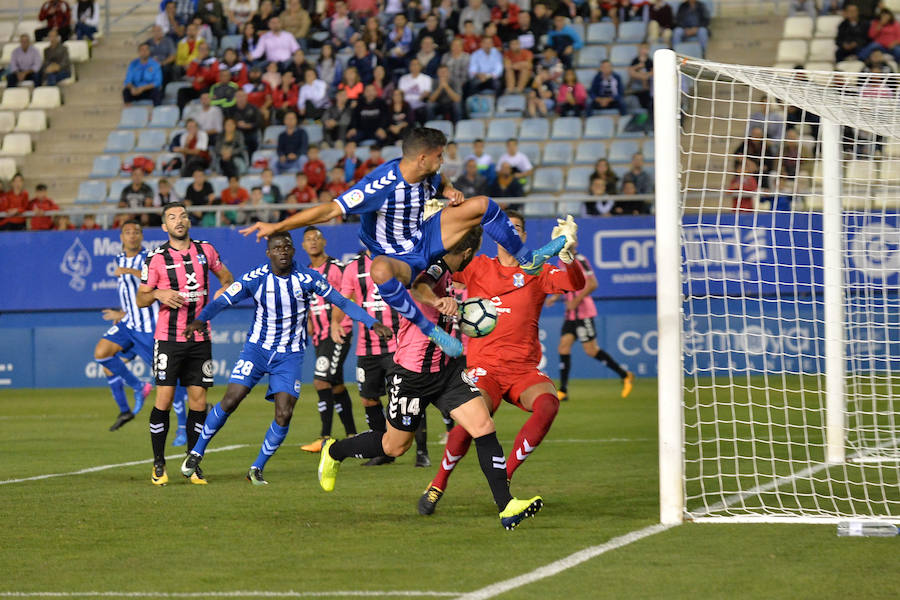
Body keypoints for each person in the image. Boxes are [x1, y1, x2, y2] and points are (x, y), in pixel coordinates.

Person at [241, 127, 571, 358]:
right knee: (380, 270)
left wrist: (449, 190)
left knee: (482, 204)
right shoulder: (379, 185)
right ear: (423, 157)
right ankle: (429, 329)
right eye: (440, 156)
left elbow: (441, 179)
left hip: (424, 237)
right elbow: (330, 209)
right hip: (394, 256)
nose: (443, 162)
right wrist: (279, 224)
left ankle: (527, 258)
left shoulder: (428, 173)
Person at [316, 227, 543, 530]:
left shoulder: (450, 271)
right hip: (411, 374)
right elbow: (419, 287)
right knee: (395, 446)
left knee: (484, 426)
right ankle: (334, 451)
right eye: (471, 255)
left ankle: (506, 506)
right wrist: (437, 303)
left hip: (447, 371)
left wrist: (457, 313)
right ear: (465, 253)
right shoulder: (433, 265)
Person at [179, 232, 392, 484]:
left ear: (293, 251)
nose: (282, 251)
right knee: (231, 398)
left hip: (289, 356)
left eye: (287, 247)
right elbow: (223, 300)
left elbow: (343, 302)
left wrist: (371, 323)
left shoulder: (308, 278)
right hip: (256, 350)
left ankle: (257, 468)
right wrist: (200, 320)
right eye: (277, 247)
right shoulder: (255, 278)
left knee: (284, 413)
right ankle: (196, 452)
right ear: (268, 253)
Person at [418, 211, 583, 515]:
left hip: (523, 369)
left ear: (522, 237)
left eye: (517, 228)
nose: (510, 231)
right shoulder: (478, 266)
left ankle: (503, 476)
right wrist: (433, 233)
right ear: (496, 235)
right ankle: (438, 483)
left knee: (548, 404)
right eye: (504, 227)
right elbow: (436, 269)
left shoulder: (537, 268)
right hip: (485, 368)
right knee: (471, 420)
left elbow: (574, 283)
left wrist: (568, 255)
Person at [137, 203, 234, 485]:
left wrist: (224, 289)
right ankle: (158, 464)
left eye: (182, 216)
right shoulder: (155, 258)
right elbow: (141, 298)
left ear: (189, 221)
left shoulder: (206, 250)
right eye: (171, 217)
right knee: (164, 400)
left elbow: (227, 277)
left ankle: (194, 462)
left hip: (199, 337)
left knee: (199, 402)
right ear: (164, 227)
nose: (178, 221)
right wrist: (158, 293)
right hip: (168, 339)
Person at [93, 220, 188, 441]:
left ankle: (183, 427)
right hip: (129, 325)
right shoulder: (119, 258)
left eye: (136, 232)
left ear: (141, 236)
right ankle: (138, 387)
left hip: (150, 329)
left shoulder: (151, 258)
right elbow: (130, 294)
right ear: (121, 237)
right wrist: (122, 314)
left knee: (167, 379)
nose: (132, 235)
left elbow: (156, 286)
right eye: (128, 232)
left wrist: (128, 270)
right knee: (101, 353)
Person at [329, 248, 405, 466]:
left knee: (403, 397)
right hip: (367, 348)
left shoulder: (398, 262)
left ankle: (422, 452)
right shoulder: (353, 267)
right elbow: (344, 300)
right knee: (368, 398)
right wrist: (335, 322)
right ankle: (383, 450)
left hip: (397, 344)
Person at [549, 246, 634, 401]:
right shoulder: (561, 261)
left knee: (591, 350)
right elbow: (567, 284)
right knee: (563, 346)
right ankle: (563, 390)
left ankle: (625, 375)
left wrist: (576, 300)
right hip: (570, 314)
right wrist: (556, 296)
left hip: (583, 313)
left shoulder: (580, 260)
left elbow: (593, 283)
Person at [298, 226, 356, 452]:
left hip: (338, 331)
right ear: (303, 246)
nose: (312, 242)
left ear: (324, 242)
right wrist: (309, 320)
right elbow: (307, 300)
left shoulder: (336, 268)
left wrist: (336, 322)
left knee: (321, 381)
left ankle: (325, 437)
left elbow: (347, 295)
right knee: (336, 385)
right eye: (308, 240)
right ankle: (352, 433)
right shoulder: (305, 272)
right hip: (320, 335)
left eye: (316, 238)